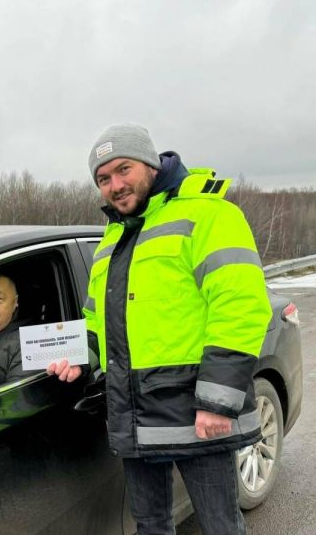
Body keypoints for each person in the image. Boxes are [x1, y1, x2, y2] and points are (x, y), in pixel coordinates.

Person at [48, 123, 271, 535]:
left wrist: (217, 402)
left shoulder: (208, 214)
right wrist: (79, 357)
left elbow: (240, 307)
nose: (114, 185)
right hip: (134, 415)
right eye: (103, 178)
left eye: (123, 170)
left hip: (196, 414)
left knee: (220, 525)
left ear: (151, 164)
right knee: (151, 526)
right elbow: (98, 322)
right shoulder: (112, 240)